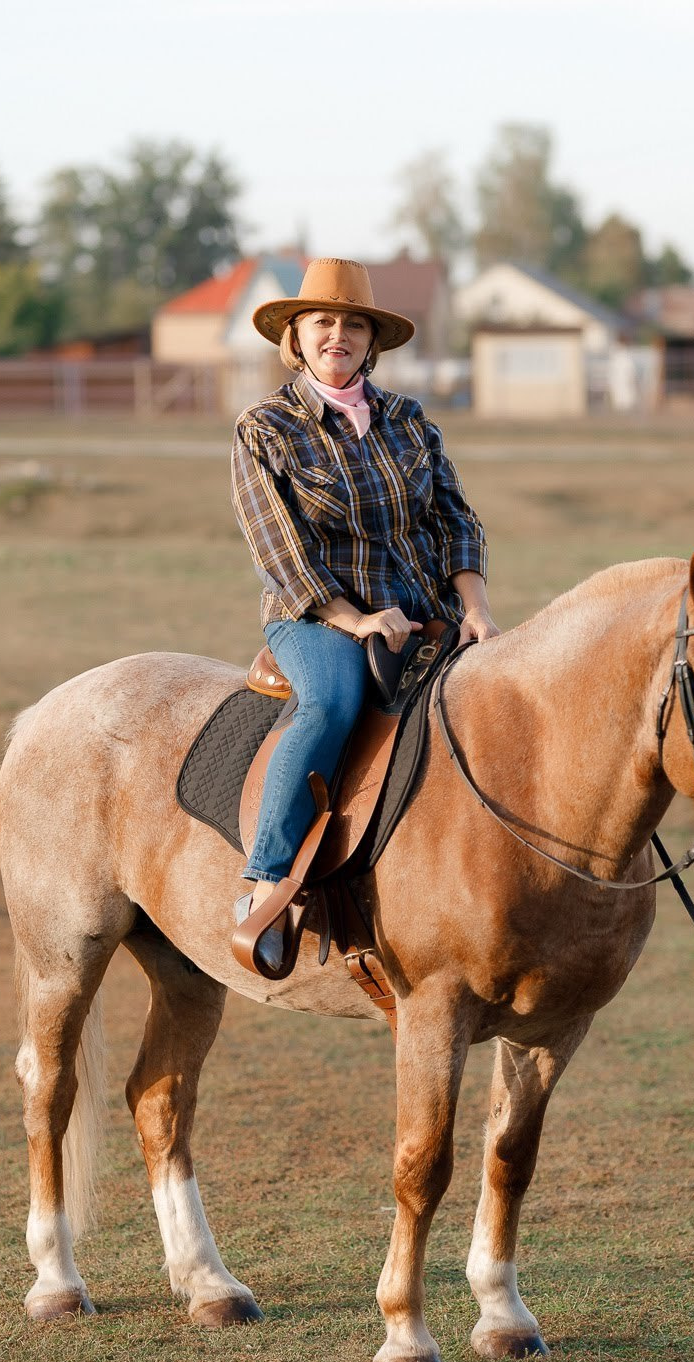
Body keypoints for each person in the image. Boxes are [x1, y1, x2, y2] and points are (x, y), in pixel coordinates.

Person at [230, 258, 499, 971]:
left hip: (425, 612)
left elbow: (456, 521)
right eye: (322, 322)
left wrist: (475, 609)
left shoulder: (410, 421)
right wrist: (359, 622)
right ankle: (269, 877)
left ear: (370, 341)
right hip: (318, 618)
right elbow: (282, 554)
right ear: (295, 336)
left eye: (353, 324)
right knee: (331, 703)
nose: (337, 335)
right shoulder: (265, 428)